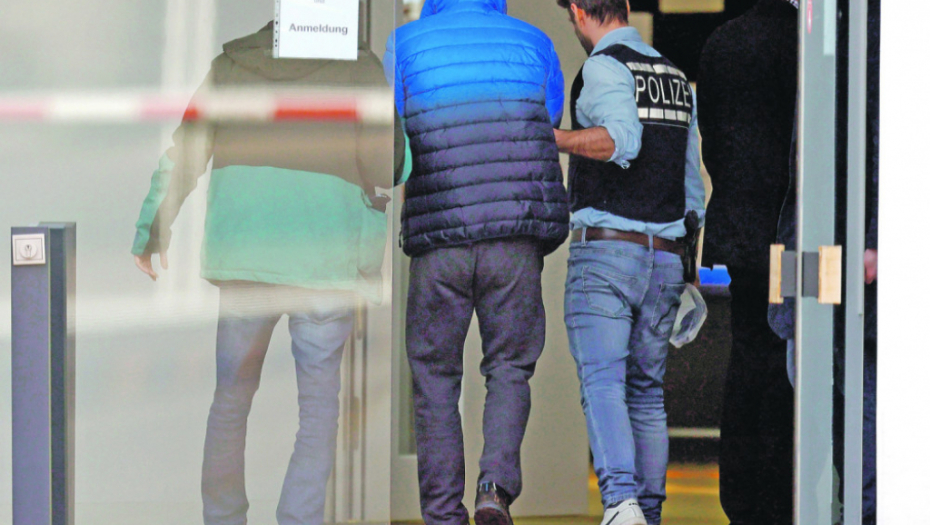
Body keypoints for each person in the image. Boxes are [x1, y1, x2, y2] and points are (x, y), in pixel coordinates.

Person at [131, 22, 404, 525]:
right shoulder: (360, 69)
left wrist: (153, 227)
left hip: (247, 256)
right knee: (318, 410)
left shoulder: (232, 65)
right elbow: (388, 167)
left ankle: (222, 517)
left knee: (231, 399)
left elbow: (186, 152)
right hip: (324, 259)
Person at [384, 1, 569, 524]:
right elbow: (546, 122)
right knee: (509, 366)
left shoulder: (405, 44)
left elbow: (390, 137)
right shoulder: (534, 43)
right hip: (514, 237)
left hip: (439, 235)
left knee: (435, 376)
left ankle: (444, 514)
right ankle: (494, 489)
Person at [553, 1, 705, 524]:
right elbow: (691, 187)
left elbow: (621, 139)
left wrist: (555, 139)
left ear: (579, 11)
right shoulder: (674, 77)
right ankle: (648, 512)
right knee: (646, 393)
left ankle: (621, 503)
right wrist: (687, 267)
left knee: (603, 382)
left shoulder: (603, 65)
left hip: (606, 254)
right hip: (665, 259)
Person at [697, 1, 798, 523]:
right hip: (790, 231)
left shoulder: (722, 41)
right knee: (785, 362)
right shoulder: (806, 42)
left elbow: (712, 140)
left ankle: (739, 497)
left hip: (739, 230)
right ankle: (780, 497)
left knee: (745, 358)